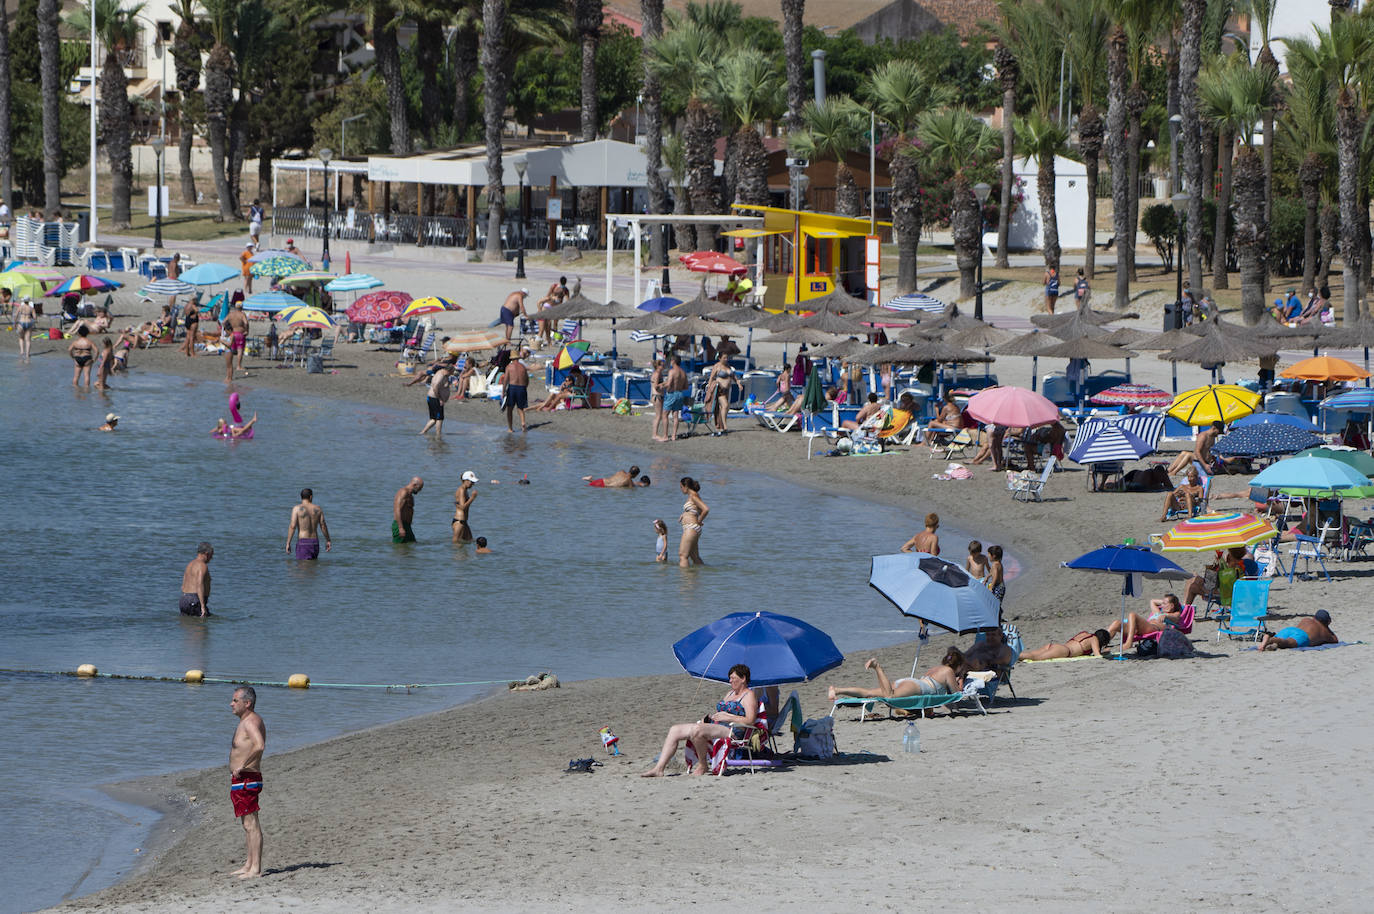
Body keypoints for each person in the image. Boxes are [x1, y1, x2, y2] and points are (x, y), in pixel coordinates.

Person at [641, 663, 757, 777]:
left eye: (733, 678)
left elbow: (750, 720)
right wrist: (710, 718)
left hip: (733, 730)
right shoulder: (729, 693)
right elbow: (720, 713)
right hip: (717, 726)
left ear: (743, 679)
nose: (730, 681)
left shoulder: (749, 695)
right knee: (675, 730)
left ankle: (703, 765)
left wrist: (728, 717)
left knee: (697, 730)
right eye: (729, 678)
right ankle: (659, 769)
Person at [826, 649, 966, 704]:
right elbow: (955, 695)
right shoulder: (948, 671)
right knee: (890, 697)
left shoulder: (935, 669)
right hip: (919, 687)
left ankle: (837, 690)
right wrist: (961, 681)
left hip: (911, 682)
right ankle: (877, 666)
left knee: (869, 693)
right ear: (957, 665)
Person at [228, 685, 266, 879]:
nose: (231, 704)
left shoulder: (250, 722)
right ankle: (249, 864)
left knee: (251, 823)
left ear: (247, 703)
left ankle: (256, 869)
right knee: (246, 824)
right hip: (244, 779)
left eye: (235, 700)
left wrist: (242, 765)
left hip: (247, 778)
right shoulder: (248, 720)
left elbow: (260, 745)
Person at [1106, 593, 1184, 650]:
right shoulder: (1158, 612)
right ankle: (1102, 644)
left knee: (1132, 615)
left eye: (1164, 603)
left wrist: (1166, 615)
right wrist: (1165, 602)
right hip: (1139, 628)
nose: (1162, 605)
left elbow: (1176, 618)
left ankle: (1129, 643)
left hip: (1153, 628)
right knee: (1117, 623)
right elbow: (1152, 601)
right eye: (1162, 603)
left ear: (1172, 606)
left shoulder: (1175, 614)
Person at [1183, 546, 1247, 607]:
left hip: (1224, 594)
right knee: (1193, 577)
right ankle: (1184, 608)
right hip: (1224, 590)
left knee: (1193, 586)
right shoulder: (1241, 565)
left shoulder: (1233, 569)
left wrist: (1218, 568)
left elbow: (1223, 584)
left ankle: (1184, 609)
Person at [409, 358, 453, 436]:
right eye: (452, 372)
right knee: (439, 419)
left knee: (434, 419)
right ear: (449, 371)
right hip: (435, 398)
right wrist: (440, 399)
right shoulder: (441, 376)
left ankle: (423, 432)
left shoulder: (442, 373)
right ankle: (438, 435)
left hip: (431, 398)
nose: (453, 373)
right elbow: (435, 386)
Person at [286, 488, 331, 559]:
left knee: (303, 567)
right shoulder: (318, 509)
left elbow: (292, 526)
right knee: (312, 567)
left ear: (301, 497)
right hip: (315, 542)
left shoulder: (296, 509)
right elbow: (323, 526)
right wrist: (328, 540)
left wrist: (288, 542)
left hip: (303, 542)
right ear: (311, 497)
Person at [1260, 609, 1336, 651]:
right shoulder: (1323, 630)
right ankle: (1271, 639)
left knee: (1282, 642)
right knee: (1288, 643)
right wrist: (1327, 626)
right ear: (1327, 621)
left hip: (1290, 629)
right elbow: (1335, 640)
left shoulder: (1306, 619)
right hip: (1302, 636)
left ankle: (1272, 642)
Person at [1020, 629, 1112, 661]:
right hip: (1064, 651)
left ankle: (1014, 655)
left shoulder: (1085, 633)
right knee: (1035, 658)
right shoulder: (1094, 638)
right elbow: (1097, 656)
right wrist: (1105, 653)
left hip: (1057, 646)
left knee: (1031, 654)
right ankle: (1014, 656)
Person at [703, 352, 736, 435]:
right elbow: (711, 377)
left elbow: (733, 376)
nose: (726, 359)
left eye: (727, 357)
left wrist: (738, 383)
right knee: (725, 405)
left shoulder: (728, 366)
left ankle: (721, 426)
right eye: (724, 358)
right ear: (719, 358)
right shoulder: (717, 366)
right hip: (719, 390)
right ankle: (725, 426)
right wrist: (709, 389)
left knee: (724, 408)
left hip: (727, 390)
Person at [678, 476, 708, 567]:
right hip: (692, 528)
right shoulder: (694, 496)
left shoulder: (693, 495)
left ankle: (685, 579)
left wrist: (699, 521)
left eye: (681, 487)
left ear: (686, 486)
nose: (681, 489)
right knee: (694, 557)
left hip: (691, 527)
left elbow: (705, 509)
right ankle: (697, 578)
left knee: (683, 556)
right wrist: (684, 514)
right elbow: (697, 510)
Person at [180, 542, 213, 617]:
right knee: (202, 626)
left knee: (188, 625)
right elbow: (199, 584)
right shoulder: (202, 566)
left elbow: (183, 585)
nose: (212, 558)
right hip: (195, 600)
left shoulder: (190, 564)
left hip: (184, 599)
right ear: (207, 554)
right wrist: (202, 606)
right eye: (211, 555)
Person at [501, 347, 530, 432]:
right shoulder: (523, 367)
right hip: (522, 388)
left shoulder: (509, 367)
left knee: (510, 408)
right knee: (520, 408)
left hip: (513, 388)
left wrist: (503, 391)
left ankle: (510, 428)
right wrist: (525, 387)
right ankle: (523, 422)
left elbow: (505, 380)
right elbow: (527, 380)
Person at [663, 356, 690, 440]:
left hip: (672, 393)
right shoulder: (683, 372)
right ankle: (674, 435)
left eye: (671, 360)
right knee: (675, 415)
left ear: (673, 361)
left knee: (665, 414)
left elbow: (669, 383)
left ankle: (665, 436)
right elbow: (686, 387)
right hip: (680, 394)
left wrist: (661, 386)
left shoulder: (672, 371)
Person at [223, 303, 251, 380]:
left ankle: (230, 371)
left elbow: (223, 322)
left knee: (231, 350)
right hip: (240, 334)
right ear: (241, 307)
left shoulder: (230, 314)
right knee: (240, 350)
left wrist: (227, 329)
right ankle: (238, 365)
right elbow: (246, 323)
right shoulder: (242, 314)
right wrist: (247, 330)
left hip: (232, 333)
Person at [392, 477, 423, 543]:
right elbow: (397, 510)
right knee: (399, 548)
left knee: (412, 545)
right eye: (419, 488)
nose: (420, 491)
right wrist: (400, 528)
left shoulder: (410, 496)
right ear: (414, 485)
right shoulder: (403, 492)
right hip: (400, 525)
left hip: (407, 526)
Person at [452, 471, 478, 543]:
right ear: (465, 480)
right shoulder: (461, 490)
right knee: (456, 545)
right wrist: (472, 498)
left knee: (471, 541)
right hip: (459, 522)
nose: (473, 484)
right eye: (471, 482)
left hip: (464, 522)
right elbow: (463, 507)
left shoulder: (465, 490)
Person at [650, 358, 668, 442]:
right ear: (658, 366)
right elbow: (656, 386)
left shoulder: (658, 373)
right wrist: (665, 383)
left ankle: (655, 434)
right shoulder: (657, 374)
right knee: (658, 416)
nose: (663, 366)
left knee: (659, 415)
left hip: (658, 395)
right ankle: (655, 434)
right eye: (662, 365)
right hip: (657, 396)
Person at [14, 296, 35, 360]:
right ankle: (27, 354)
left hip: (21, 322)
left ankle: (22, 351)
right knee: (28, 340)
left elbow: (16, 315)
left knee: (21, 338)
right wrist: (33, 323)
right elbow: (34, 317)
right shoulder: (31, 308)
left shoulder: (20, 307)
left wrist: (15, 323)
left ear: (23, 301)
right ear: (29, 301)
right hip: (29, 322)